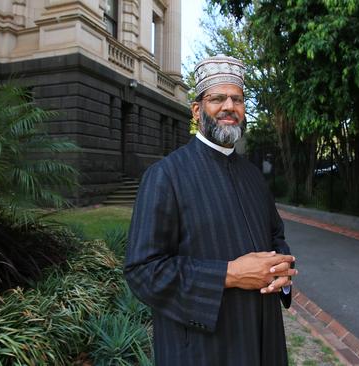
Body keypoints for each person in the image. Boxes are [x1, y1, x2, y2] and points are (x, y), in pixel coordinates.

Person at [124, 54, 297, 366]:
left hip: (264, 341)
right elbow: (142, 272)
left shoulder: (253, 176)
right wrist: (228, 274)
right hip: (203, 350)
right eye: (218, 98)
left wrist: (281, 272)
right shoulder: (165, 175)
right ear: (196, 109)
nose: (229, 106)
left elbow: (276, 237)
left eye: (237, 99)